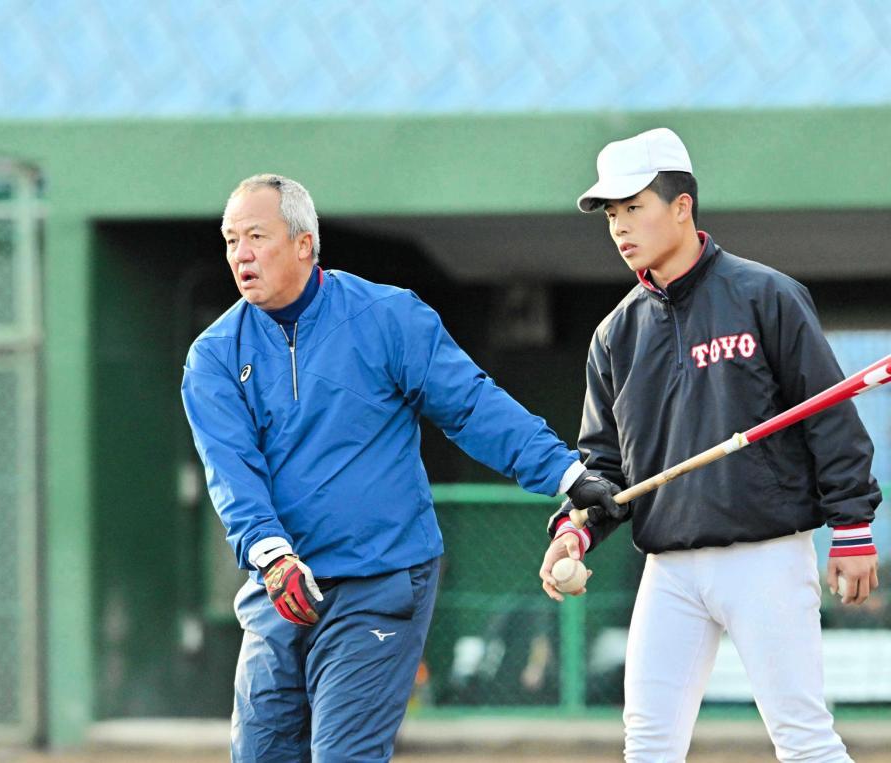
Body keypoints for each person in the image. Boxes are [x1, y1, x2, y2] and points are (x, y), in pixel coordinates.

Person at [181, 173, 618, 762]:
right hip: (277, 589)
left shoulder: (388, 316)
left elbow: (471, 406)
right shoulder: (213, 355)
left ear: (304, 242)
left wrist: (567, 476)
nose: (241, 255)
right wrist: (271, 556)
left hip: (380, 579)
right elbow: (232, 472)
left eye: (255, 236)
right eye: (231, 240)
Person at [539, 128, 882, 762]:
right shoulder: (614, 334)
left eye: (633, 207)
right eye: (611, 214)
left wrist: (854, 526)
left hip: (767, 556)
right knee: (646, 744)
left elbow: (828, 416)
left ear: (681, 206)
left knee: (803, 738)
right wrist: (575, 526)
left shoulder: (766, 295)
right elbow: (604, 464)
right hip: (668, 566)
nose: (620, 228)